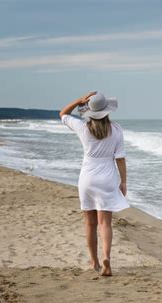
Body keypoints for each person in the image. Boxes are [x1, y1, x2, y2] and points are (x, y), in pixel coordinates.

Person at [59, 91, 130, 276]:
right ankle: (107, 258)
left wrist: (78, 100)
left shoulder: (83, 127)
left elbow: (63, 114)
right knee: (105, 223)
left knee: (89, 223)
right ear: (107, 111)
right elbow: (120, 159)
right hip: (107, 179)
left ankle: (94, 262)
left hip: (87, 179)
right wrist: (123, 182)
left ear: (90, 111)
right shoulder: (116, 130)